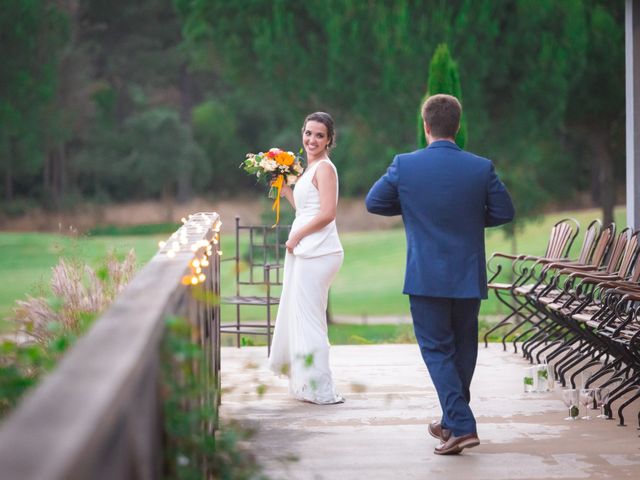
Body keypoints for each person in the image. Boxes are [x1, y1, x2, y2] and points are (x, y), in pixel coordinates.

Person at [365, 94, 515, 454]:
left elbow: (374, 202)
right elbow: (504, 211)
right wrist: (469, 218)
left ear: (426, 126)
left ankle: (461, 425)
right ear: (458, 127)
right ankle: (452, 420)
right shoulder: (481, 167)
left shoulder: (405, 164)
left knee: (436, 350)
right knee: (463, 350)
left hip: (427, 276)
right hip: (467, 274)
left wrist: (413, 208)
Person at [268, 111, 345, 405]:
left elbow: (327, 214)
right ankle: (307, 383)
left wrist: (297, 237)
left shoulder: (325, 169)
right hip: (306, 250)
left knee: (310, 320)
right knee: (301, 318)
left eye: (319, 135)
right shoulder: (309, 169)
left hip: (319, 251)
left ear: (329, 140)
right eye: (308, 133)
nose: (312, 140)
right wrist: (284, 189)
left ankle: (320, 388)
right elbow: (306, 208)